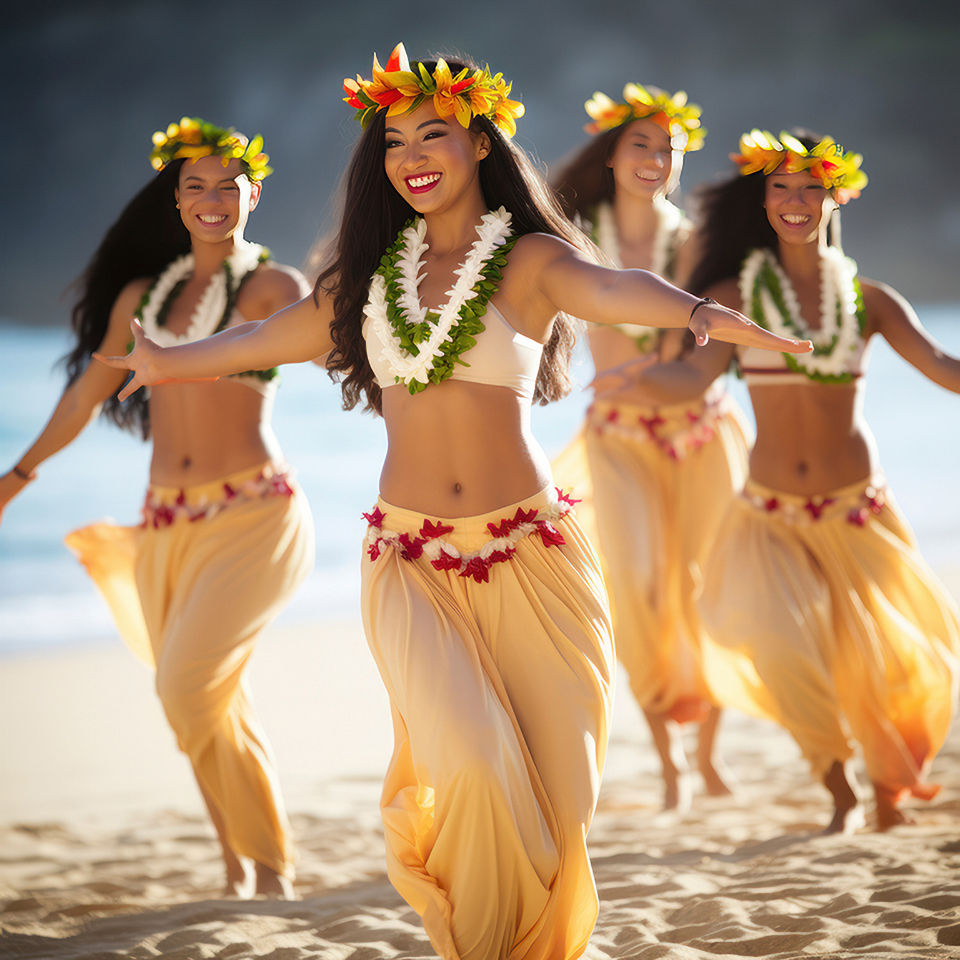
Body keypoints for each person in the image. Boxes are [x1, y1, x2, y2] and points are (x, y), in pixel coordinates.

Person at [97, 47, 809, 959]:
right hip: (412, 564)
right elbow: (262, 338)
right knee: (468, 762)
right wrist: (162, 361)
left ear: (479, 143)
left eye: (431, 133)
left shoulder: (528, 260)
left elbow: (614, 289)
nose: (409, 154)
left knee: (563, 796)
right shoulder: (363, 280)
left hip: (534, 556)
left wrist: (704, 318)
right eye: (392, 141)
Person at [0, 117, 314, 897]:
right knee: (202, 697)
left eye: (228, 187)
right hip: (166, 525)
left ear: (256, 192)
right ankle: (242, 866)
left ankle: (269, 865)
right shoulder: (147, 297)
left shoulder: (273, 288)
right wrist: (20, 474)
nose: (213, 201)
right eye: (195, 188)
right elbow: (86, 393)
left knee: (186, 684)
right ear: (174, 200)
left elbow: (323, 340)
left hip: (255, 518)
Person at [690, 128, 960, 832]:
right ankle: (835, 785)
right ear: (762, 198)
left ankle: (886, 793)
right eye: (779, 186)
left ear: (838, 192)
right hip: (768, 517)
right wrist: (621, 377)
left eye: (811, 185)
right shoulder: (731, 296)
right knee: (785, 652)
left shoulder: (869, 299)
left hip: (857, 512)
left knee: (894, 664)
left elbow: (942, 367)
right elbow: (683, 381)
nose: (795, 200)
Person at [551, 83, 751, 811]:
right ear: (610, 153)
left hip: (700, 432)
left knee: (709, 588)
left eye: (669, 147)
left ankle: (706, 755)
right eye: (641, 143)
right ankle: (668, 763)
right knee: (635, 589)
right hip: (617, 438)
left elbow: (721, 329)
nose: (656, 157)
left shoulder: (696, 241)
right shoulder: (572, 236)